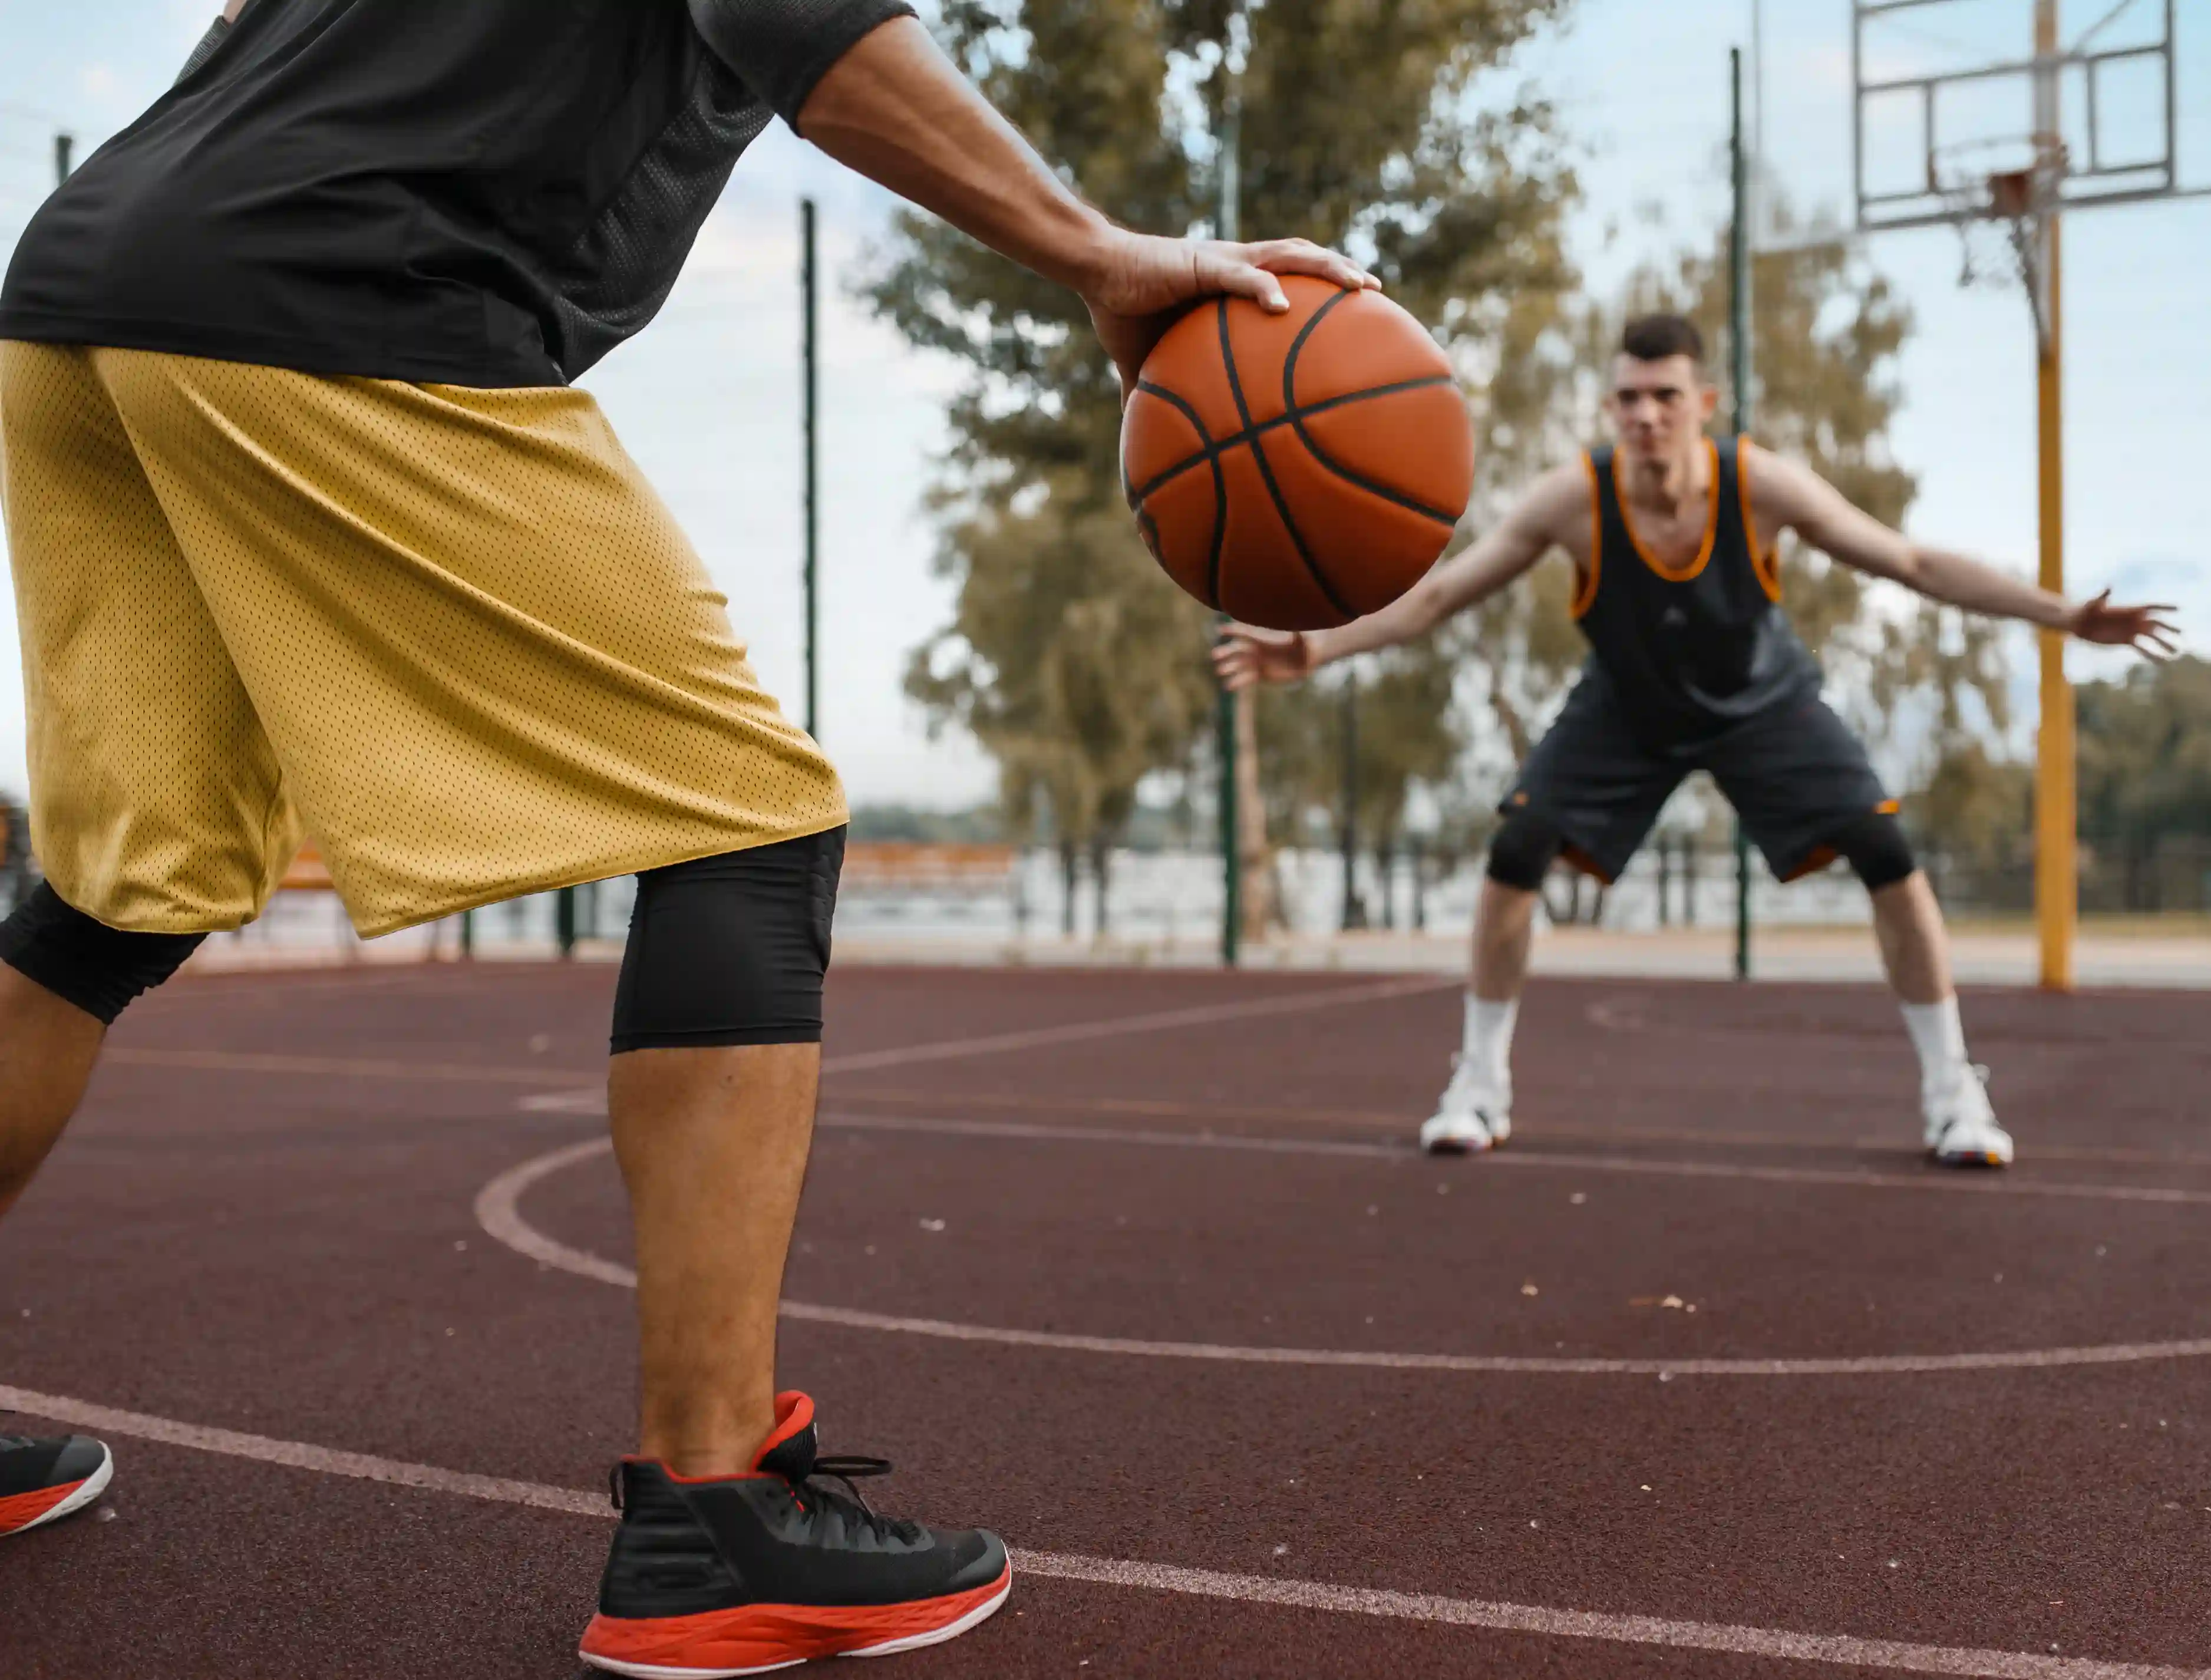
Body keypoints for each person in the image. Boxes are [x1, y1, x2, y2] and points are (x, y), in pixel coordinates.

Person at [0, 1, 1373, 1670]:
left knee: (119, 891)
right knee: (750, 818)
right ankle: (713, 1515)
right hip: (332, 294)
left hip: (86, 292)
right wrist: (1094, 252)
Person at [1216, 313, 2176, 1167]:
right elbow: (1436, 596)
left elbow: (1911, 560)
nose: (1644, 415)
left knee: (1885, 848)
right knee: (1517, 845)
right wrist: (1320, 647)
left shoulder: (1755, 485)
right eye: (1627, 398)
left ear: (1702, 402)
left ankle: (1952, 1092)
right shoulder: (1572, 501)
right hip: (1626, 707)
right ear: (1610, 405)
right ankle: (1477, 1085)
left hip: (1761, 699)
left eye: (1664, 397)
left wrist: (2058, 614)